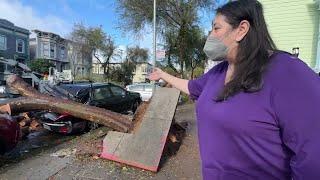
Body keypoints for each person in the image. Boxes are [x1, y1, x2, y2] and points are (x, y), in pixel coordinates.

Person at [148, 0, 320, 179]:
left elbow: (313, 157)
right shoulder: (218, 73)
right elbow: (191, 87)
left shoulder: (288, 73)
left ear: (241, 30)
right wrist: (162, 74)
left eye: (216, 28)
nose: (210, 36)